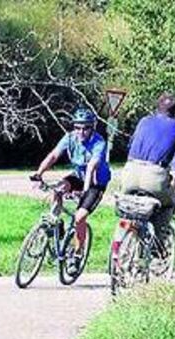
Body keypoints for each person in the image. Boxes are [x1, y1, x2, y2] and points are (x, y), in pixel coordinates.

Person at [30, 107, 110, 274]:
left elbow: (91, 168)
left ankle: (77, 254)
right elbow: (53, 156)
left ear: (92, 128)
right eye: (77, 127)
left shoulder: (99, 142)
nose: (81, 131)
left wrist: (85, 191)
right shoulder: (69, 138)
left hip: (95, 182)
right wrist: (39, 173)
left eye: (86, 127)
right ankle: (55, 223)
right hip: (78, 176)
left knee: (80, 217)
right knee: (57, 189)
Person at [120, 93, 175, 250]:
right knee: (167, 204)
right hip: (154, 176)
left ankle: (128, 240)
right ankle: (158, 246)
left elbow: (131, 145)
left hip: (129, 171)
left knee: (133, 205)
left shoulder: (143, 121)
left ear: (156, 107)